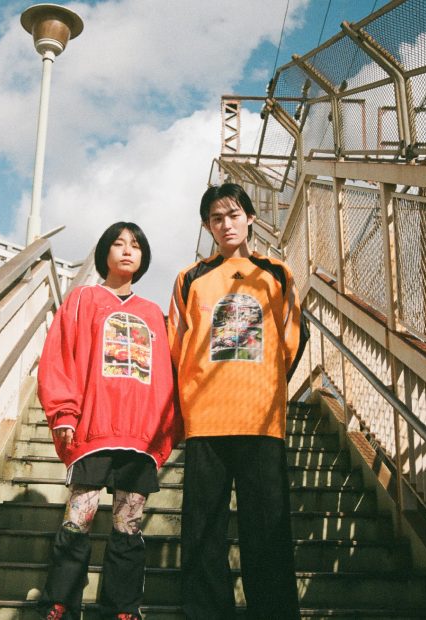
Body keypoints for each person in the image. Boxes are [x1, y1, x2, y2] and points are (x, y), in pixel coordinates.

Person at [168, 183, 308, 620]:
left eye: (233, 215)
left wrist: (263, 381)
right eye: (216, 218)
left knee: (266, 528)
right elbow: (177, 345)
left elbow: (292, 338)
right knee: (202, 529)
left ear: (250, 217)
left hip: (260, 417)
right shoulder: (190, 278)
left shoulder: (276, 273)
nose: (225, 224)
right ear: (207, 226)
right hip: (205, 418)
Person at [38, 222, 182, 620]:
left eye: (135, 245)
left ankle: (121, 608)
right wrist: (64, 412)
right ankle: (61, 602)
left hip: (140, 437)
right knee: (78, 519)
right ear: (105, 252)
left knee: (128, 525)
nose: (127, 250)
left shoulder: (153, 314)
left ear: (143, 257)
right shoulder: (82, 299)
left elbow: (166, 378)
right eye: (118, 243)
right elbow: (60, 357)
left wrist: (164, 433)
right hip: (93, 431)